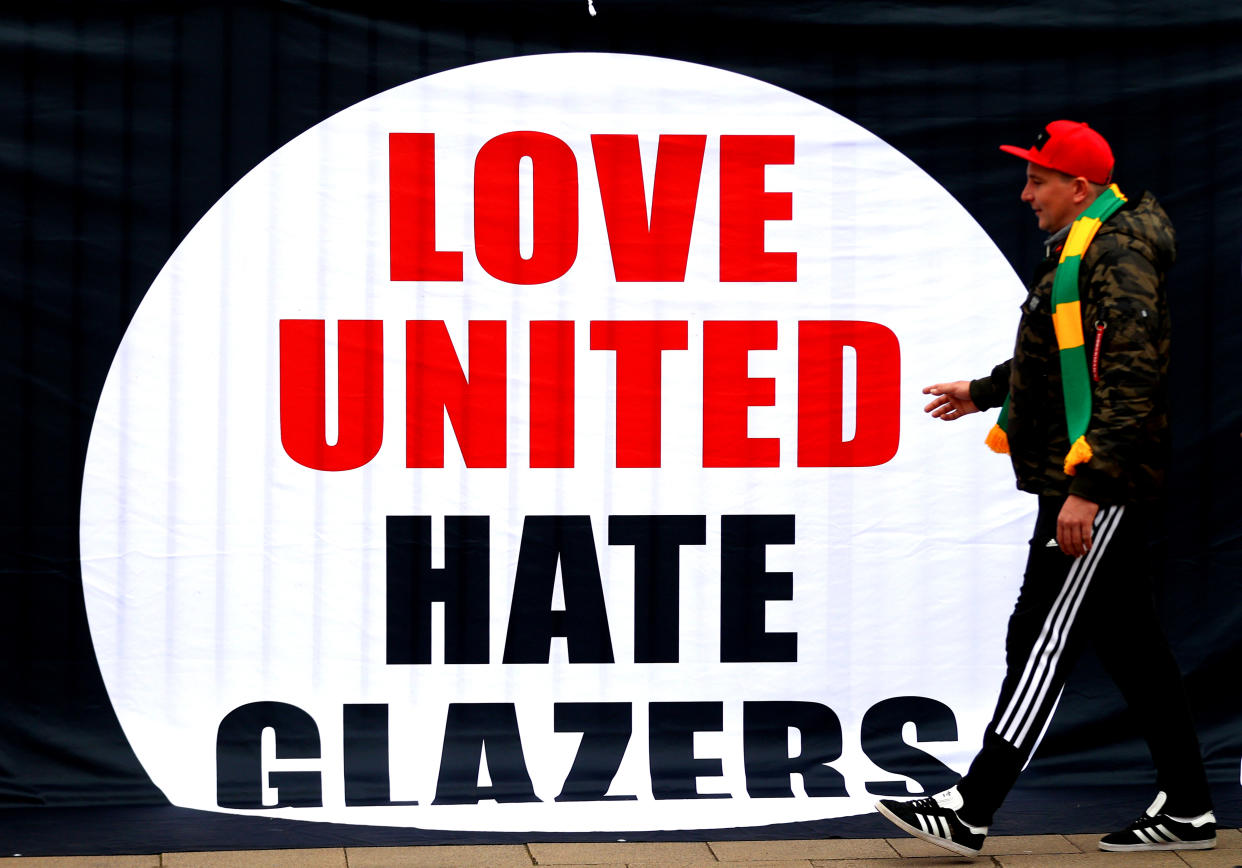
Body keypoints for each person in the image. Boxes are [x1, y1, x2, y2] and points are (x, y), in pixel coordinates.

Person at [873, 120, 1215, 857]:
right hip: (1088, 475)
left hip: (1099, 485)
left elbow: (1129, 381)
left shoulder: (1117, 254)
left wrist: (1088, 490)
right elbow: (1061, 358)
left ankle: (972, 805)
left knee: (1041, 638)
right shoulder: (1088, 246)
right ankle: (1187, 804)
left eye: (1038, 180)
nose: (1026, 194)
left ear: (1079, 188)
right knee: (1133, 647)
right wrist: (986, 391)